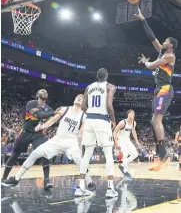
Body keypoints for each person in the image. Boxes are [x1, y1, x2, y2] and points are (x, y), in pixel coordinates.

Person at [3, 95, 95, 191]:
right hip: (57, 140)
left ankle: (89, 182)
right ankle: (16, 178)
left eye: (82, 97)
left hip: (71, 142)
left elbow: (80, 134)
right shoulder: (65, 109)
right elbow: (53, 120)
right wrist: (43, 126)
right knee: (35, 153)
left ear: (84, 102)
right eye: (78, 96)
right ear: (74, 99)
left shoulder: (84, 116)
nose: (80, 97)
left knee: (78, 159)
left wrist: (80, 148)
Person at [135, 8, 178, 171]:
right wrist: (143, 20)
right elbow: (152, 37)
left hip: (165, 89)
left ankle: (163, 154)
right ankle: (162, 154)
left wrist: (147, 62)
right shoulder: (162, 53)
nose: (163, 42)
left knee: (156, 120)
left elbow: (152, 65)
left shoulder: (170, 56)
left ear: (171, 45)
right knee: (153, 120)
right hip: (159, 89)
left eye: (166, 41)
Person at [75, 68, 118, 198]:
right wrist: (113, 121)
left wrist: (92, 111)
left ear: (97, 76)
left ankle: (80, 187)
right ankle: (110, 188)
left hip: (89, 120)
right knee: (108, 153)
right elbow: (109, 105)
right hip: (102, 121)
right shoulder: (110, 86)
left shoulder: (89, 87)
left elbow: (83, 107)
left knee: (87, 153)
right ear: (107, 76)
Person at [1, 89, 54, 189]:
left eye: (46, 91)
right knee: (15, 154)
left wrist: (51, 116)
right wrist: (53, 113)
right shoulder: (31, 103)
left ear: (47, 96)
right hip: (25, 132)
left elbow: (50, 120)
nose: (44, 92)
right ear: (37, 95)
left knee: (45, 153)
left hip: (38, 134)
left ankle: (47, 181)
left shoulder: (48, 108)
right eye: (42, 91)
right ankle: (4, 178)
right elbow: (39, 115)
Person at [113, 109, 141, 179]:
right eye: (132, 113)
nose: (133, 115)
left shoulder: (134, 123)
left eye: (134, 114)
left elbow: (134, 132)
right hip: (121, 141)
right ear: (128, 114)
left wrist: (137, 141)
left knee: (135, 154)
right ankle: (125, 172)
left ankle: (122, 165)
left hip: (127, 141)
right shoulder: (122, 123)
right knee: (125, 154)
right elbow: (115, 132)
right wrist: (116, 143)